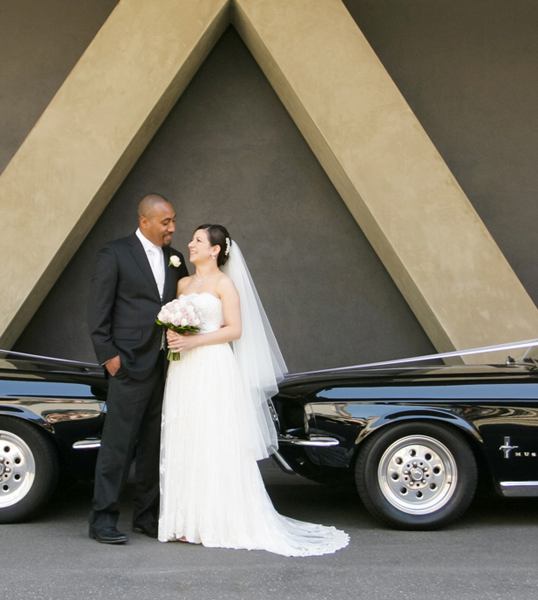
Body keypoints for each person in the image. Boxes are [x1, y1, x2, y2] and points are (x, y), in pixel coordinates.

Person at [160, 224, 349, 557]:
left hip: (212, 366)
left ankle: (219, 519)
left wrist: (194, 340)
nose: (190, 244)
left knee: (215, 437)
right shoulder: (183, 284)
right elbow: (178, 325)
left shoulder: (225, 283)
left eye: (198, 240)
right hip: (183, 368)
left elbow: (234, 330)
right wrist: (174, 338)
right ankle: (187, 522)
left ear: (215, 249)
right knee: (186, 434)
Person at [87, 193, 186, 545]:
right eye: (166, 222)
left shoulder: (175, 260)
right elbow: (99, 312)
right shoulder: (114, 253)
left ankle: (146, 517)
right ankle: (102, 520)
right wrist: (110, 357)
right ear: (145, 221)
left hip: (166, 367)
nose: (173, 227)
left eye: (173, 220)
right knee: (118, 445)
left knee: (153, 446)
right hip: (127, 364)